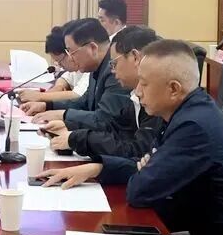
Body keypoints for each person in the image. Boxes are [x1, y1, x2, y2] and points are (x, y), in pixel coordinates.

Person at [39, 40, 223, 235]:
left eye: (144, 83)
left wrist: (147, 168)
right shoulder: (183, 112)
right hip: (206, 233)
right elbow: (147, 164)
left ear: (173, 89)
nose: (137, 92)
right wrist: (100, 167)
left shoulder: (194, 126)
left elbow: (140, 191)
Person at [42, 25, 163, 158]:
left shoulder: (158, 99)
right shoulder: (134, 92)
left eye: (114, 63)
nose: (112, 69)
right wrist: (70, 128)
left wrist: (79, 139)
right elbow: (116, 127)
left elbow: (137, 150)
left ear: (135, 58)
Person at [27, 19, 136, 139]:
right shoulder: (96, 66)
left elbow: (105, 119)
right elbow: (85, 102)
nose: (70, 58)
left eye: (71, 52)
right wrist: (48, 106)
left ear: (92, 48)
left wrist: (63, 115)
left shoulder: (116, 70)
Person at [18, 26, 85, 107]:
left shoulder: (89, 67)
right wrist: (59, 87)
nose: (59, 65)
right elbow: (66, 78)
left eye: (60, 61)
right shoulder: (75, 68)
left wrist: (39, 96)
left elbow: (78, 95)